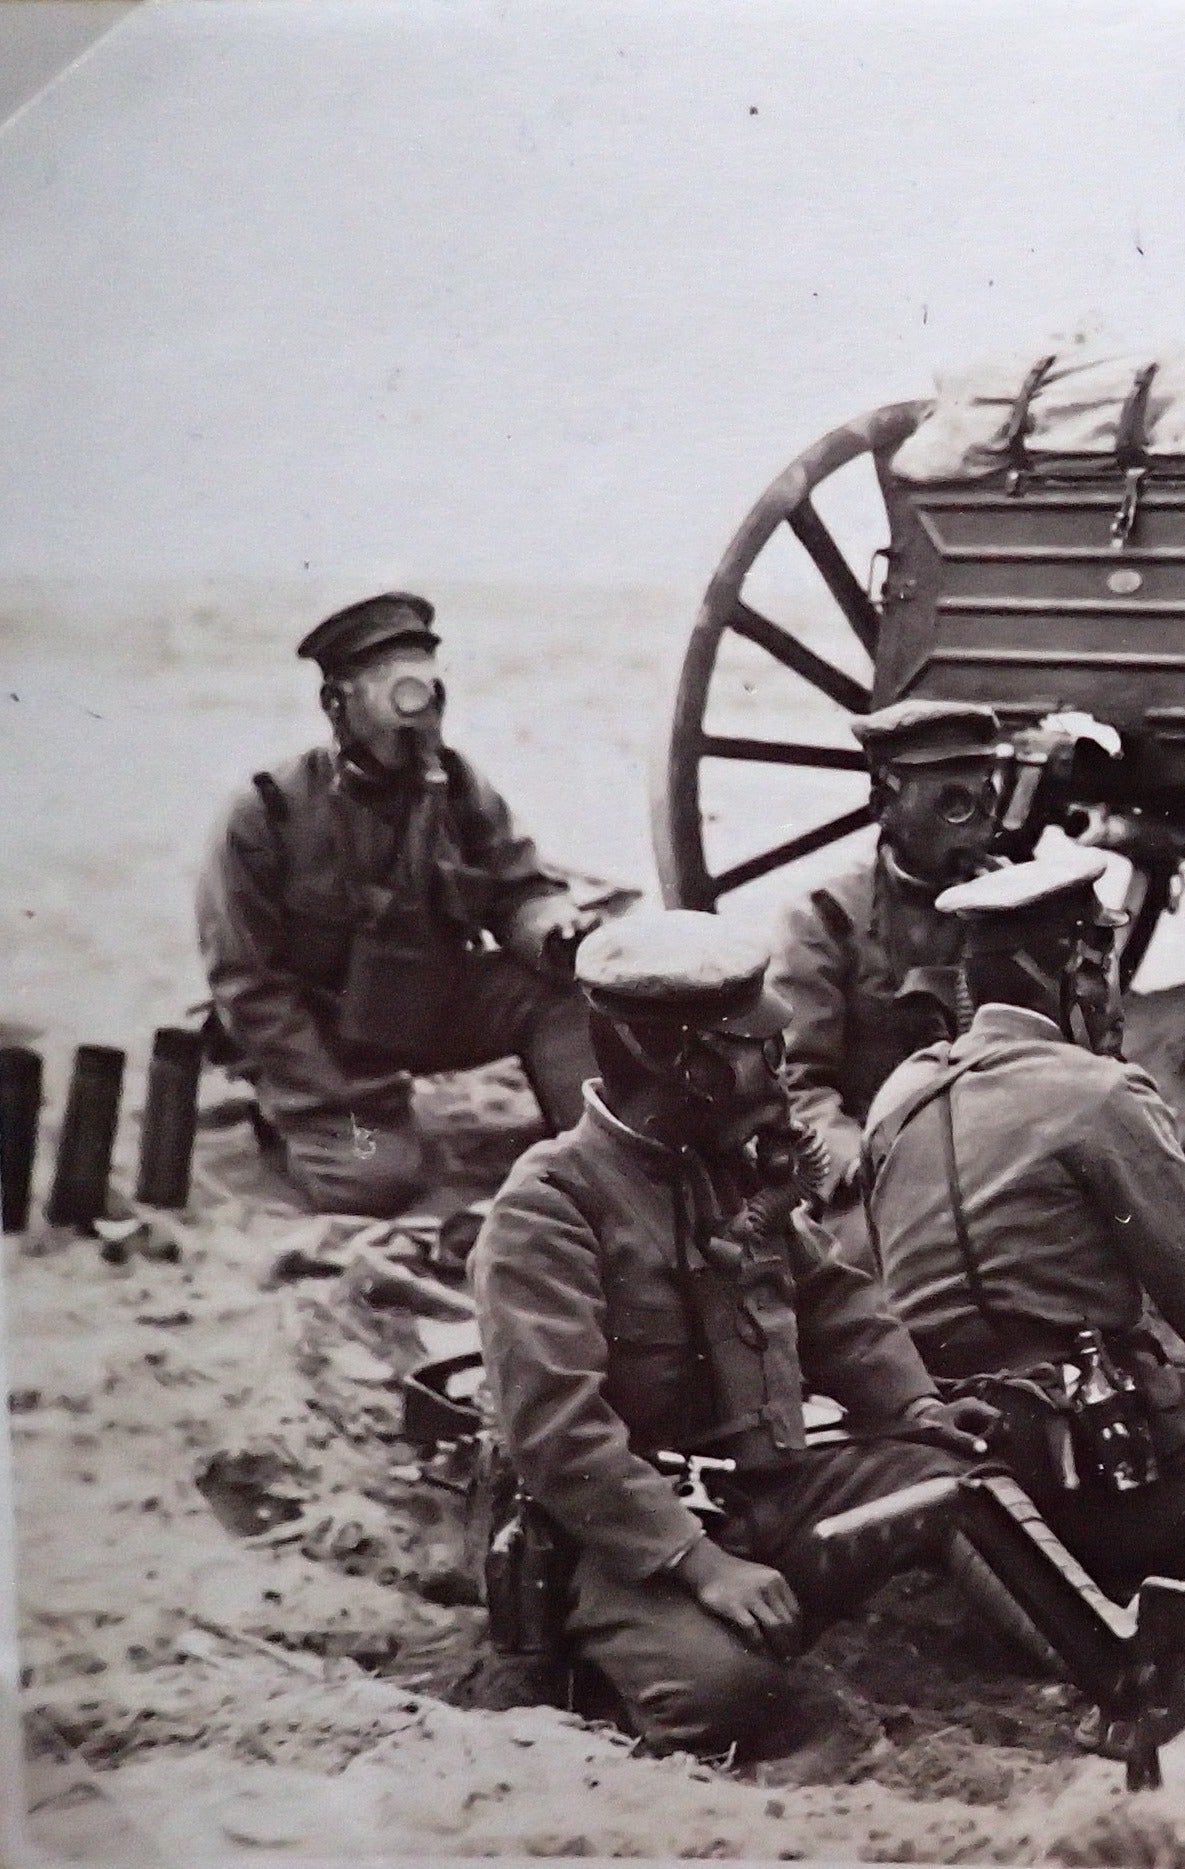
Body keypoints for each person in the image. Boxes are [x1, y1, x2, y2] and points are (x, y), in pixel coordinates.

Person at [469, 909, 1001, 1766]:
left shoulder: (726, 1169)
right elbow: (557, 1433)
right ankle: (600, 1670)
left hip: (763, 1491)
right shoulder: (549, 1208)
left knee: (967, 1487)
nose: (778, 1067)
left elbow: (831, 1304)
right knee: (727, 1692)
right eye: (759, 1047)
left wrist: (917, 1407)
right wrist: (699, 1564)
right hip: (621, 1534)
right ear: (685, 1063)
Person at [862, 851, 1185, 1598]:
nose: (1111, 1001)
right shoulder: (1095, 1093)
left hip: (956, 1450)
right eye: (1101, 970)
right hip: (1083, 1461)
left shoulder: (896, 1099)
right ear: (1071, 972)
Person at [195, 592, 600, 1216]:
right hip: (326, 1041)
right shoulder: (267, 813)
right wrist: (336, 1094)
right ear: (336, 704)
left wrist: (553, 930)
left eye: (427, 692)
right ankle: (293, 1124)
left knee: (559, 990)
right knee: (375, 1179)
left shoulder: (456, 787)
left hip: (425, 1005)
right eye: (394, 689)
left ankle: (591, 1145)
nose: (418, 714)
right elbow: (247, 985)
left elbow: (519, 888)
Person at [772, 700, 1011, 1253]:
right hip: (875, 1170)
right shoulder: (826, 918)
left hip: (999, 1156)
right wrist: (855, 1161)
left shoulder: (1014, 904)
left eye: (986, 798)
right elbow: (797, 1081)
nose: (980, 824)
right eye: (952, 803)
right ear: (885, 806)